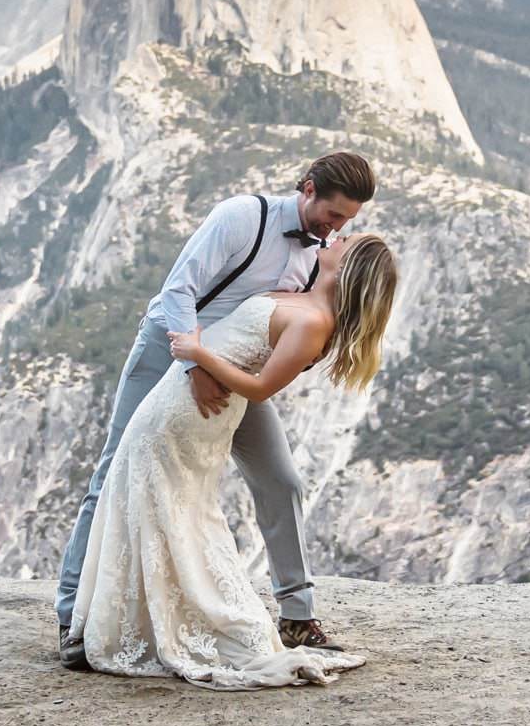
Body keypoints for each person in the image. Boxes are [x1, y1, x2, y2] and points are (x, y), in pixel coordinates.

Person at [55, 152, 377, 669]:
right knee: (115, 469)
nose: (335, 229)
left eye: (347, 221)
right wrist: (196, 367)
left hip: (231, 374)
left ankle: (296, 614)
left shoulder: (320, 254)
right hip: (171, 348)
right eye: (333, 215)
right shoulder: (241, 217)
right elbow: (177, 291)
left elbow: (292, 328)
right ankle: (73, 619)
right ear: (308, 187)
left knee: (281, 479)